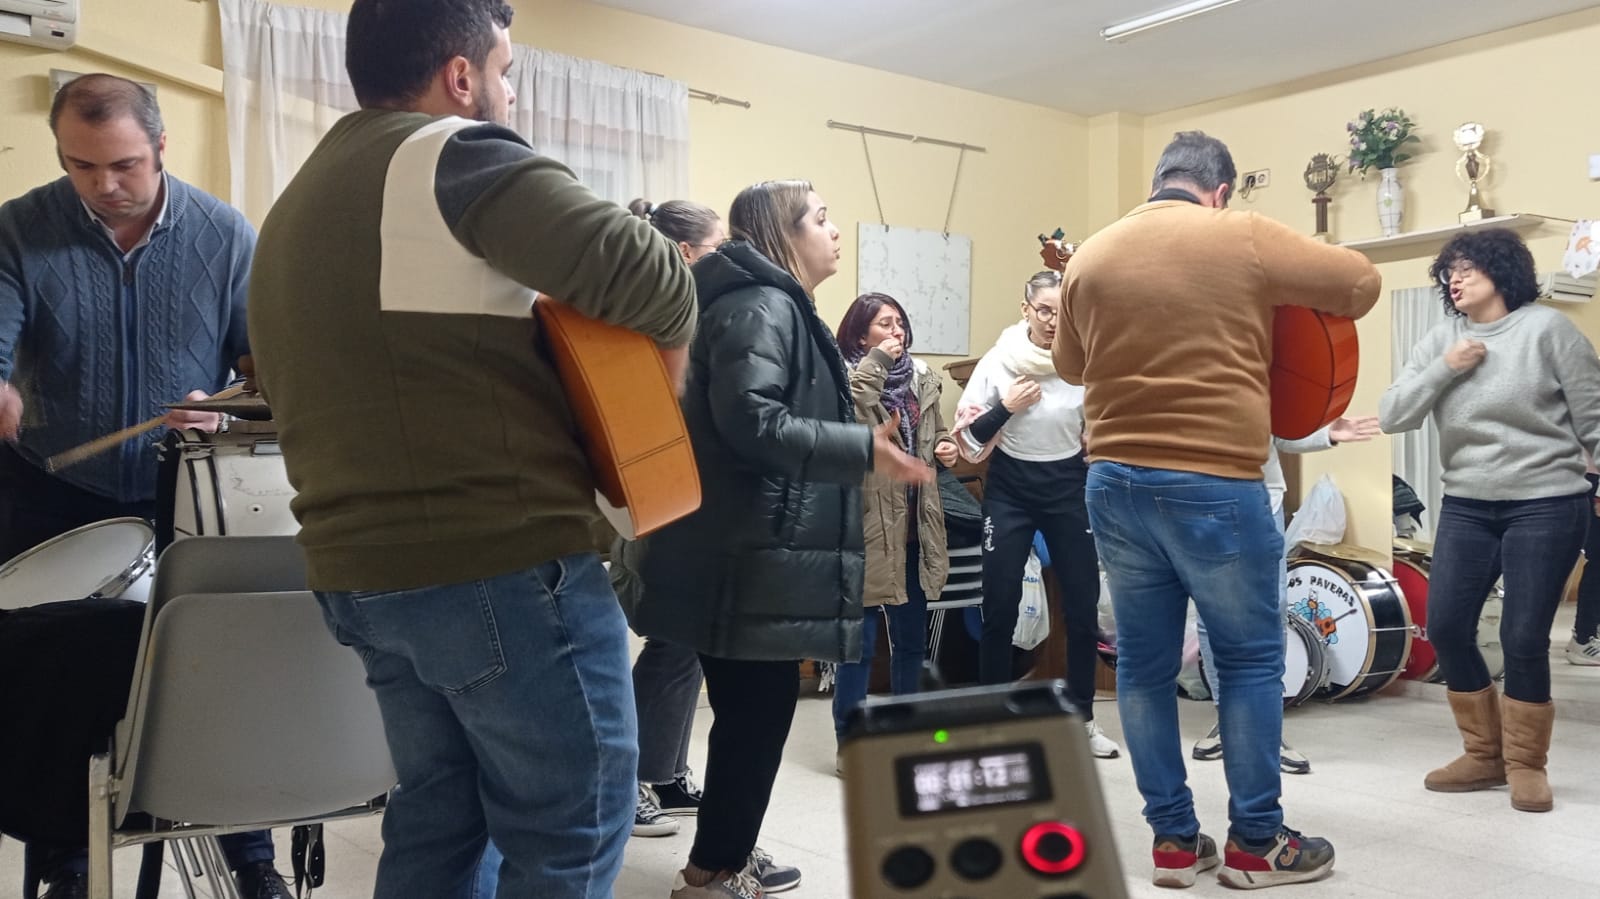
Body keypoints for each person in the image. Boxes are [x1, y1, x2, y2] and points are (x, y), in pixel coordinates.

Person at [245, 1, 698, 896]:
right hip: (501, 563)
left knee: (440, 820)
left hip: (365, 575)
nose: (510, 91)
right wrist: (652, 420)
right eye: (507, 70)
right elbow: (657, 278)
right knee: (572, 826)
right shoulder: (455, 153)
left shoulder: (299, 199)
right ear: (462, 76)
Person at [1057, 130, 1379, 889]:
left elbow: (1072, 363)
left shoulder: (1093, 253)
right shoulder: (1241, 234)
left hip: (1113, 483)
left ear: (1161, 179)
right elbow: (1360, 283)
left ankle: (1173, 842)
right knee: (1249, 661)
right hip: (1214, 481)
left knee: (1142, 666)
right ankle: (1257, 842)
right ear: (1222, 188)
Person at [0, 73, 284, 899]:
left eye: (122, 164)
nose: (102, 186)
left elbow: (267, 368)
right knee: (60, 681)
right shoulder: (19, 228)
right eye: (79, 166)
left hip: (183, 488)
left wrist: (228, 406)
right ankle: (65, 856)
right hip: (51, 486)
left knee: (211, 670)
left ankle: (249, 850)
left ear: (161, 146)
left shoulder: (226, 234)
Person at [630, 180, 930, 899]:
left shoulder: (767, 302)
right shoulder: (760, 303)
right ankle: (713, 872)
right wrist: (860, 448)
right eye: (821, 219)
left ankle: (722, 859)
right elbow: (752, 421)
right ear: (781, 234)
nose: (834, 232)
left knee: (750, 715)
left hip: (749, 546)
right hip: (747, 548)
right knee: (756, 718)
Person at [1380, 227, 1600, 813]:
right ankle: (1484, 756)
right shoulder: (1442, 341)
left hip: (1547, 501)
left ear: (1503, 271)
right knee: (1449, 626)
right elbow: (1393, 412)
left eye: (1469, 267)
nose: (1455, 278)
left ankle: (1527, 763)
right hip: (1468, 504)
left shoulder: (1547, 330)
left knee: (1523, 636)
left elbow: (1592, 415)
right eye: (1449, 270)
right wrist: (1445, 368)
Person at [953, 270, 1121, 759]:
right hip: (1009, 489)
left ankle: (1082, 719)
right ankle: (992, 719)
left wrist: (1100, 443)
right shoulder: (999, 361)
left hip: (1067, 488)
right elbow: (967, 440)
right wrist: (1005, 407)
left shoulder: (1082, 358)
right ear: (1025, 309)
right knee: (998, 607)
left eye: (1060, 311)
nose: (1052, 321)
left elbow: (1106, 419)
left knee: (1082, 608)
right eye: (1044, 310)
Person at [1190, 416, 1382, 774]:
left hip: (1264, 500)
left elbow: (1280, 431)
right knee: (1210, 615)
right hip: (1203, 501)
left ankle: (1266, 730)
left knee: (1271, 614)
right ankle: (1227, 722)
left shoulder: (1260, 368)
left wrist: (1327, 433)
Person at [620, 198, 721, 842]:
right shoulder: (659, 312)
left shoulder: (694, 310)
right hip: (660, 490)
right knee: (669, 639)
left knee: (687, 639)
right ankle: (625, 779)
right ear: (686, 254)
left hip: (694, 489)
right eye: (717, 249)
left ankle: (665, 769)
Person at [830, 292, 956, 749]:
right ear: (860, 334)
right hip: (865, 524)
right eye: (884, 324)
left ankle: (909, 732)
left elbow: (937, 431)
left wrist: (947, 447)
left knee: (910, 642)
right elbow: (857, 408)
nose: (896, 332)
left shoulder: (923, 378)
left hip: (914, 527)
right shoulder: (844, 375)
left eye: (900, 323)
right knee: (858, 646)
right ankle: (850, 739)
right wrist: (878, 361)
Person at [1568, 457, 1600, 665]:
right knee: (1598, 561)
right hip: (1591, 477)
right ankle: (1583, 637)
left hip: (1588, 477)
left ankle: (1586, 634)